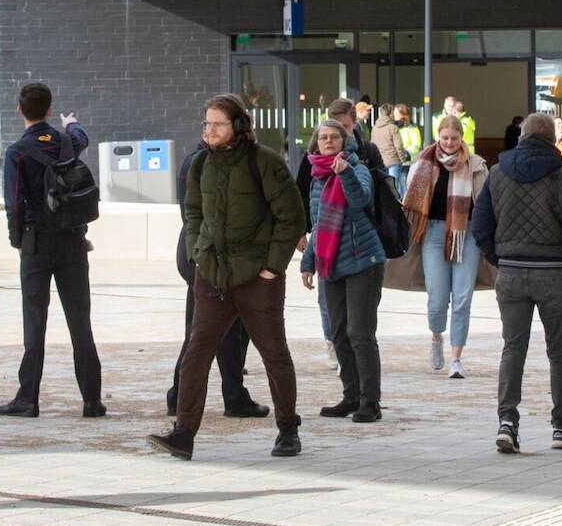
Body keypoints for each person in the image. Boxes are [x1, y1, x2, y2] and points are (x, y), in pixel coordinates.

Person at [150, 95, 303, 461]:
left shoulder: (263, 161)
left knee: (274, 354)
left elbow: (292, 217)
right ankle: (183, 433)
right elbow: (192, 212)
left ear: (237, 125)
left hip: (257, 278)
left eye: (217, 123)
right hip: (213, 276)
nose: (210, 130)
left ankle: (288, 429)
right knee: (196, 353)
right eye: (206, 124)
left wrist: (271, 268)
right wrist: (198, 253)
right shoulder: (201, 164)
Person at [471, 111, 562, 454]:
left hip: (510, 271)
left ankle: (507, 422)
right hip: (553, 271)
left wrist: (499, 259)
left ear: (522, 135)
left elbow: (481, 226)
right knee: (559, 352)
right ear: (552, 138)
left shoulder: (497, 174)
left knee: (512, 349)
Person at [1, 82, 103, 417]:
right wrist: (70, 121)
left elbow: (15, 205)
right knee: (79, 322)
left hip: (36, 242)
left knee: (35, 322)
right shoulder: (66, 142)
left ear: (20, 111)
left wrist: (19, 242)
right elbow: (82, 136)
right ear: (49, 110)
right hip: (72, 241)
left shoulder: (17, 152)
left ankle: (28, 398)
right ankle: (91, 399)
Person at [163, 123, 272, 424]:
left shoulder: (196, 160)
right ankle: (231, 396)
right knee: (223, 331)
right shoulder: (206, 163)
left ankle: (182, 395)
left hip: (200, 255)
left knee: (203, 331)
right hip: (212, 258)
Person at [300, 118, 386, 422]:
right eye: (322, 137)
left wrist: (346, 173)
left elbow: (361, 198)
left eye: (333, 137)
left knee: (360, 333)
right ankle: (351, 395)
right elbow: (318, 223)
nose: (327, 141)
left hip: (363, 260)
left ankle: (370, 401)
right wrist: (308, 262)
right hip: (331, 263)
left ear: (344, 140)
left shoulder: (357, 168)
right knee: (338, 333)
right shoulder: (317, 177)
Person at [402, 112, 488, 379]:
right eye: (445, 137)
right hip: (434, 233)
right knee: (437, 299)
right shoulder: (424, 162)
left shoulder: (475, 164)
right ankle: (436, 337)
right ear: (438, 137)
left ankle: (456, 358)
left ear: (462, 138)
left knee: (462, 299)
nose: (450, 142)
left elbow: (485, 201)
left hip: (468, 233)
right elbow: (410, 201)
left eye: (454, 138)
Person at [370, 103, 409, 191]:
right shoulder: (393, 127)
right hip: (393, 160)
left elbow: (372, 145)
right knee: (394, 189)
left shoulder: (375, 128)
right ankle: (396, 204)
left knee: (384, 188)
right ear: (390, 113)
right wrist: (403, 160)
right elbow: (398, 146)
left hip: (380, 161)